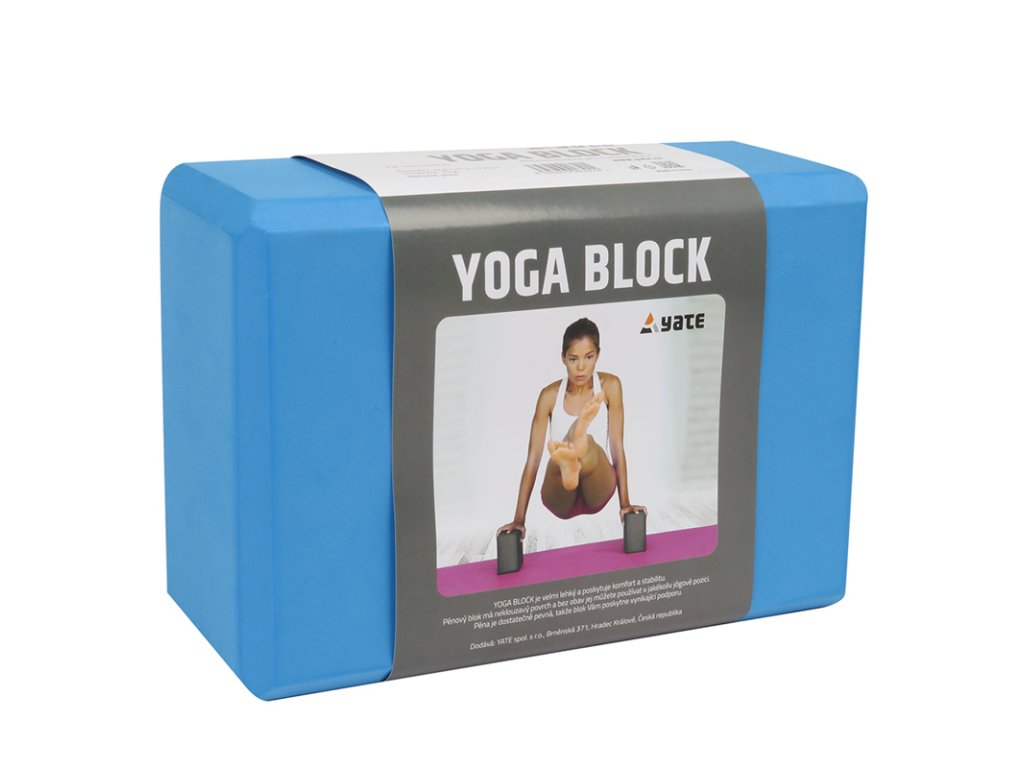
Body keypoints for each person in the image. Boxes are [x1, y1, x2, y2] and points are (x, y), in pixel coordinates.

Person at [498, 317, 646, 539]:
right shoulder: (549, 396)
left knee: (588, 444)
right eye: (573, 359)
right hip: (560, 493)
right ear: (563, 358)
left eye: (589, 357)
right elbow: (533, 459)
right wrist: (519, 519)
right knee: (557, 459)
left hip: (597, 483)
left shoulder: (610, 386)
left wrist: (625, 504)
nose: (581, 367)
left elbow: (617, 447)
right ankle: (570, 463)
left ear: (598, 355)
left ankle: (577, 442)